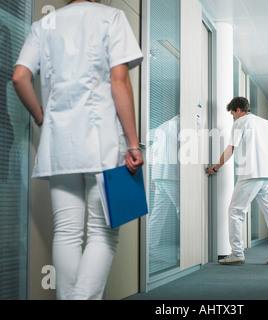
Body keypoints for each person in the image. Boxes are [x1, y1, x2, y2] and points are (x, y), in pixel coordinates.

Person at [12, 0, 143, 299]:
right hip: (103, 141)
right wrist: (133, 143)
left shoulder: (42, 25)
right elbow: (119, 81)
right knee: (103, 233)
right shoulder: (111, 17)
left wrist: (41, 117)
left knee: (67, 233)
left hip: (59, 144)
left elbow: (20, 77)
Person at [207, 97, 268, 266]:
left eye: (232, 114)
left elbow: (230, 149)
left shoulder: (240, 123)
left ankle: (237, 253)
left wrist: (215, 168)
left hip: (250, 174)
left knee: (235, 212)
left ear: (239, 110)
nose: (233, 117)